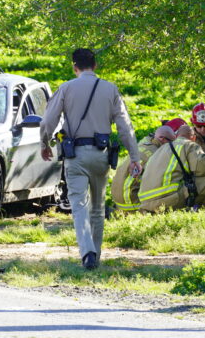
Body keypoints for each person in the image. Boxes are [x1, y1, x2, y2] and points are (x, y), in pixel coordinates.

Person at [39, 48, 141, 270]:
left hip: (75, 156)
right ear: (95, 66)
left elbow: (48, 122)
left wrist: (44, 143)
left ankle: (87, 253)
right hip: (102, 155)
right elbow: (125, 126)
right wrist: (135, 157)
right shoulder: (110, 89)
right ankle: (96, 254)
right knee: (97, 208)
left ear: (74, 67)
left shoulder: (65, 88)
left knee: (79, 206)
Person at [138, 125, 205, 212]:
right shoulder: (190, 145)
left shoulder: (161, 148)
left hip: (145, 202)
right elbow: (203, 169)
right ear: (193, 138)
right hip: (167, 199)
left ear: (177, 136)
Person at [111, 125, 175, 212]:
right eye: (171, 141)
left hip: (118, 201)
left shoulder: (144, 144)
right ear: (162, 139)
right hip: (131, 202)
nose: (172, 144)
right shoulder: (157, 154)